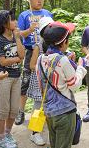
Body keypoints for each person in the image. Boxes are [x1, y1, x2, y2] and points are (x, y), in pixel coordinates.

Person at [37, 21, 87, 148]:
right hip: (65, 113)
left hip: (49, 112)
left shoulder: (40, 59)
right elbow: (74, 85)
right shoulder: (63, 60)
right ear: (63, 42)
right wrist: (80, 68)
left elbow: (42, 83)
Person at [15, 0, 53, 129]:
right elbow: (18, 35)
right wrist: (30, 29)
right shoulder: (24, 15)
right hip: (31, 51)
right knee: (25, 81)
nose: (39, 1)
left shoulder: (47, 13)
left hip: (46, 50)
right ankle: (20, 111)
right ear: (30, 0)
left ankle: (46, 111)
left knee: (47, 81)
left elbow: (53, 30)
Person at [0, 9, 25, 148]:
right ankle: (0, 139)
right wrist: (17, 59)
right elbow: (2, 62)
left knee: (14, 109)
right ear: (4, 24)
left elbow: (22, 55)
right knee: (3, 110)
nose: (16, 22)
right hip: (4, 77)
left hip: (16, 77)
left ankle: (7, 134)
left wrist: (18, 38)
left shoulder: (16, 36)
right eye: (12, 20)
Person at [26, 16, 53, 146]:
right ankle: (35, 133)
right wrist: (43, 66)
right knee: (38, 106)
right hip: (39, 80)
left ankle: (46, 127)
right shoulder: (38, 46)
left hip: (51, 81)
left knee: (50, 104)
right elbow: (31, 65)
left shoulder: (55, 44)